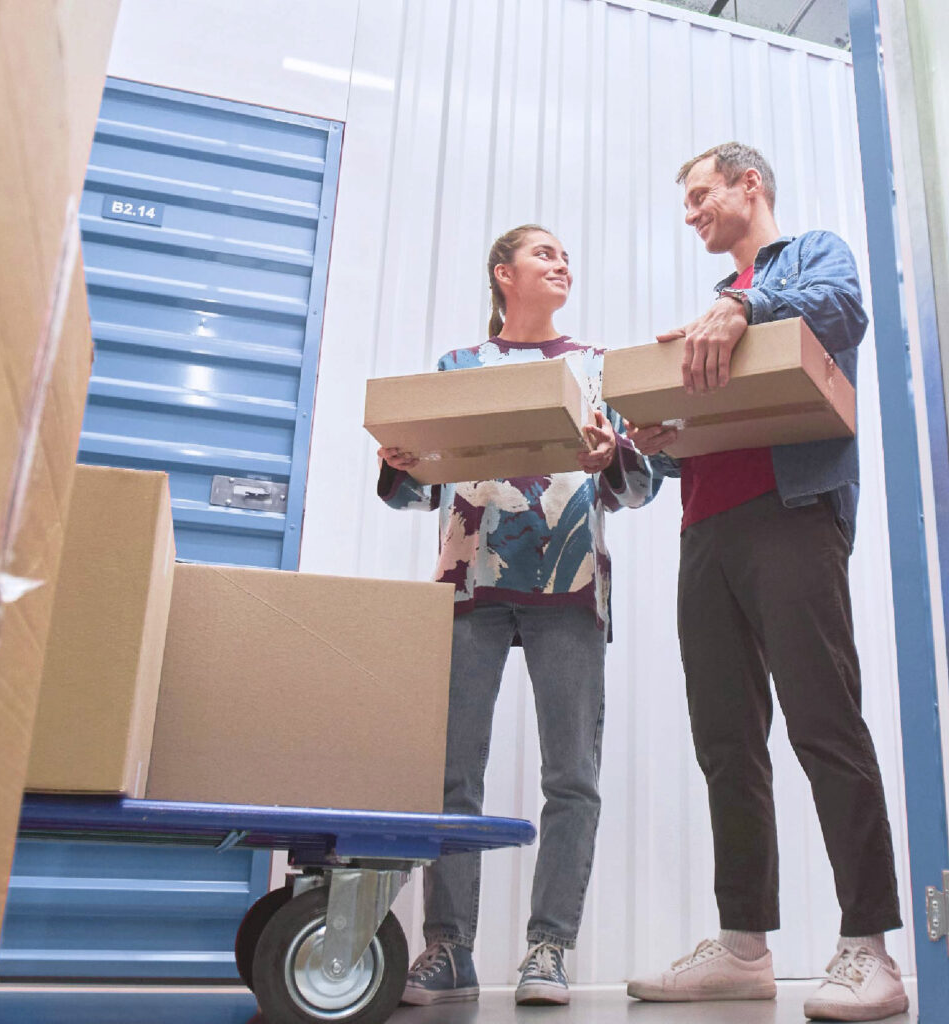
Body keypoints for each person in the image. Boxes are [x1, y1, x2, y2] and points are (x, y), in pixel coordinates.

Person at [622, 143, 907, 1022]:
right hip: (704, 527)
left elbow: (844, 312)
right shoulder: (714, 312)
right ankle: (744, 946)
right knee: (725, 742)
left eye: (702, 194)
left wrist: (741, 303)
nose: (692, 212)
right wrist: (648, 444)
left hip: (791, 516)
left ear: (752, 187)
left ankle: (870, 950)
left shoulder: (809, 255)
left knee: (824, 723)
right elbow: (700, 434)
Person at [377, 224, 660, 1007]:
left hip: (569, 586)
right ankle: (447, 949)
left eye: (567, 255)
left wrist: (615, 461)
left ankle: (549, 949)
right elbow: (416, 491)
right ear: (503, 274)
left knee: (572, 777)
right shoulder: (458, 368)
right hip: (471, 584)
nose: (562, 262)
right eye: (544, 253)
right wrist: (400, 461)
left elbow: (639, 490)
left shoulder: (599, 368)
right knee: (450, 775)